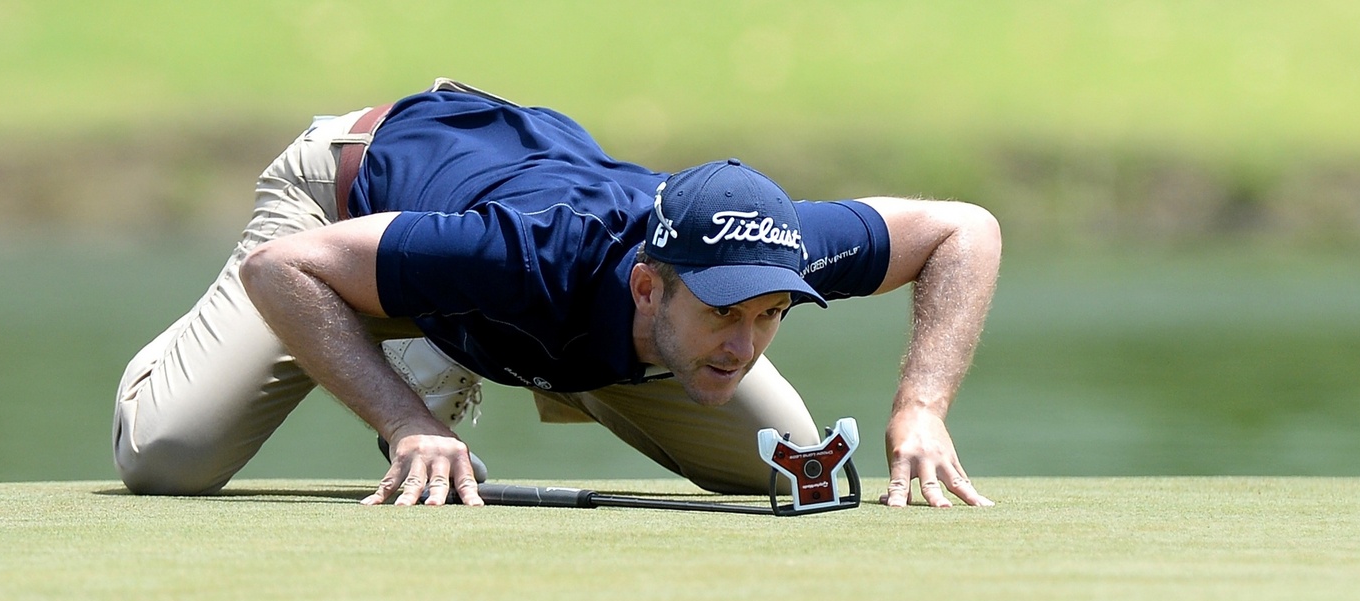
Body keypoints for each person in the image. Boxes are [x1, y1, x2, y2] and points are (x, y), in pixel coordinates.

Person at [113, 78, 999, 509]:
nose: (746, 340)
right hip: (340, 203)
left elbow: (967, 229)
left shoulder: (781, 242)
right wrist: (406, 422)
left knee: (790, 468)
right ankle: (433, 345)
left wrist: (922, 404)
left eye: (769, 315)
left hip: (553, 289)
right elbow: (285, 270)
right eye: (725, 313)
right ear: (651, 287)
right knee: (170, 458)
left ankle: (489, 346)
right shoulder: (523, 253)